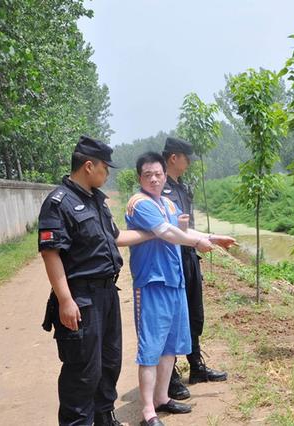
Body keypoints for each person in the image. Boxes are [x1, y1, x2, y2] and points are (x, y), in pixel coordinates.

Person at [38, 136, 152, 426]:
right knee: (83, 371)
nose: (108, 173)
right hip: (81, 299)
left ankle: (104, 418)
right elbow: (51, 253)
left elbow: (115, 238)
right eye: (105, 167)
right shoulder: (59, 203)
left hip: (107, 295)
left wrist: (156, 232)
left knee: (109, 362)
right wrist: (65, 300)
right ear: (89, 166)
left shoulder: (98, 201)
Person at [125, 152, 234, 426]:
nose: (153, 178)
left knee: (170, 346)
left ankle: (162, 398)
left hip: (174, 282)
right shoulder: (140, 203)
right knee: (151, 348)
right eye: (147, 174)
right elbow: (168, 233)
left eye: (158, 174)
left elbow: (184, 231)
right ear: (140, 178)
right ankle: (148, 410)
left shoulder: (168, 204)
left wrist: (211, 238)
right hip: (152, 283)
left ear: (165, 175)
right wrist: (196, 243)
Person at [161, 137, 232, 400]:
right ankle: (170, 377)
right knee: (173, 318)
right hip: (172, 261)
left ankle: (196, 366)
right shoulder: (161, 190)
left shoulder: (182, 187)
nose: (189, 163)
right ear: (173, 158)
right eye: (186, 158)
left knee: (194, 313)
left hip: (190, 257)